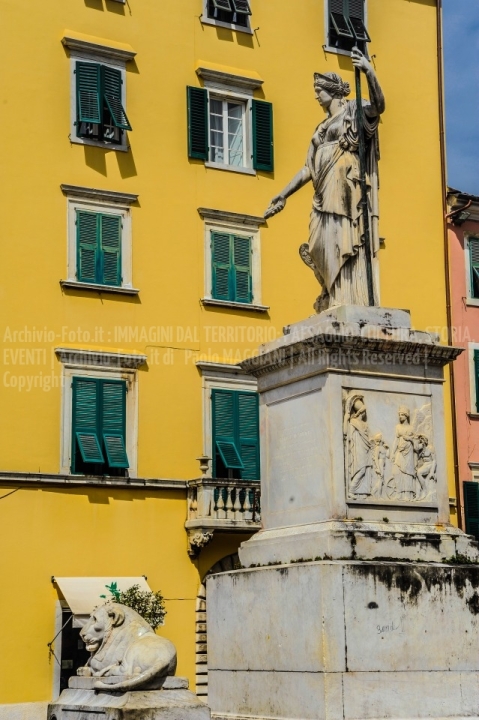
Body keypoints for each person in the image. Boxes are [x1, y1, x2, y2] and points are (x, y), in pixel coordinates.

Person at [264, 48, 385, 312]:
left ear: (332, 90)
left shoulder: (354, 112)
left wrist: (368, 70)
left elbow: (379, 106)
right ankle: (331, 292)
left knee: (344, 237)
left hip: (345, 186)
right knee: (319, 243)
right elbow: (308, 168)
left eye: (319, 90)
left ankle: (347, 296)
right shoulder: (320, 128)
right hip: (322, 190)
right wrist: (283, 193)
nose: (316, 95)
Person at [344, 393, 374, 499]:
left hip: (366, 449)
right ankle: (351, 490)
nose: (365, 413)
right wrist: (345, 419)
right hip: (358, 449)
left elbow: (369, 437)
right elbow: (346, 433)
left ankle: (362, 491)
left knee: (365, 469)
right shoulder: (353, 422)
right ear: (361, 412)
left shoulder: (364, 424)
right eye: (364, 411)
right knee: (361, 469)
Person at [390, 407, 417, 501]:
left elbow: (416, 441)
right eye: (399, 415)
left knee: (408, 473)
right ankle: (398, 492)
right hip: (400, 452)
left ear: (406, 415)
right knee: (397, 471)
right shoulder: (398, 427)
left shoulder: (411, 428)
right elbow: (395, 440)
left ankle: (407, 495)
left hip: (409, 452)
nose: (400, 417)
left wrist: (409, 438)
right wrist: (392, 453)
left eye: (402, 414)